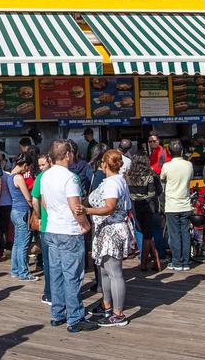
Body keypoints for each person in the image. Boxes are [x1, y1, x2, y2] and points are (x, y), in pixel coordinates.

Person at [39, 139, 100, 333]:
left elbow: (44, 203)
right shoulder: (70, 177)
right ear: (67, 155)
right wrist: (84, 224)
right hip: (69, 230)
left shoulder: (45, 176)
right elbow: (76, 206)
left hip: (52, 229)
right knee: (72, 275)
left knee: (55, 274)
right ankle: (75, 317)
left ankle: (58, 313)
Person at [85, 149, 133, 327]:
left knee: (114, 272)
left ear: (105, 164)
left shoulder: (113, 183)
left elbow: (109, 207)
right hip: (104, 230)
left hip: (111, 231)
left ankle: (118, 314)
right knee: (105, 271)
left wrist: (86, 210)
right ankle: (107, 307)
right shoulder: (115, 180)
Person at [159, 140, 194, 271]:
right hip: (185, 204)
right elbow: (190, 178)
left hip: (172, 205)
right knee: (185, 233)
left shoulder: (167, 166)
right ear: (182, 151)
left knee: (174, 234)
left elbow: (162, 178)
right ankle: (186, 262)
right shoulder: (189, 165)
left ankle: (176, 262)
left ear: (169, 152)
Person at [126, 151, 163, 272]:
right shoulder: (150, 175)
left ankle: (154, 261)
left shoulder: (128, 175)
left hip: (135, 207)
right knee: (149, 235)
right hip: (149, 207)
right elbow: (156, 192)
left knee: (142, 232)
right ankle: (144, 263)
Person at [7, 154, 36, 280]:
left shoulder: (9, 176)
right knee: (23, 244)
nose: (28, 171)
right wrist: (34, 207)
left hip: (14, 211)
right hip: (23, 211)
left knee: (17, 243)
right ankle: (24, 273)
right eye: (28, 168)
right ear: (25, 165)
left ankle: (15, 270)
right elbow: (28, 198)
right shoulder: (18, 177)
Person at [30, 153, 53, 302]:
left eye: (43, 164)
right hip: (63, 226)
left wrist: (38, 216)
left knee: (48, 262)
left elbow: (34, 200)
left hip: (46, 225)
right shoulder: (71, 175)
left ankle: (49, 293)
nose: (41, 168)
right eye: (39, 165)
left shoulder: (41, 178)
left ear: (50, 162)